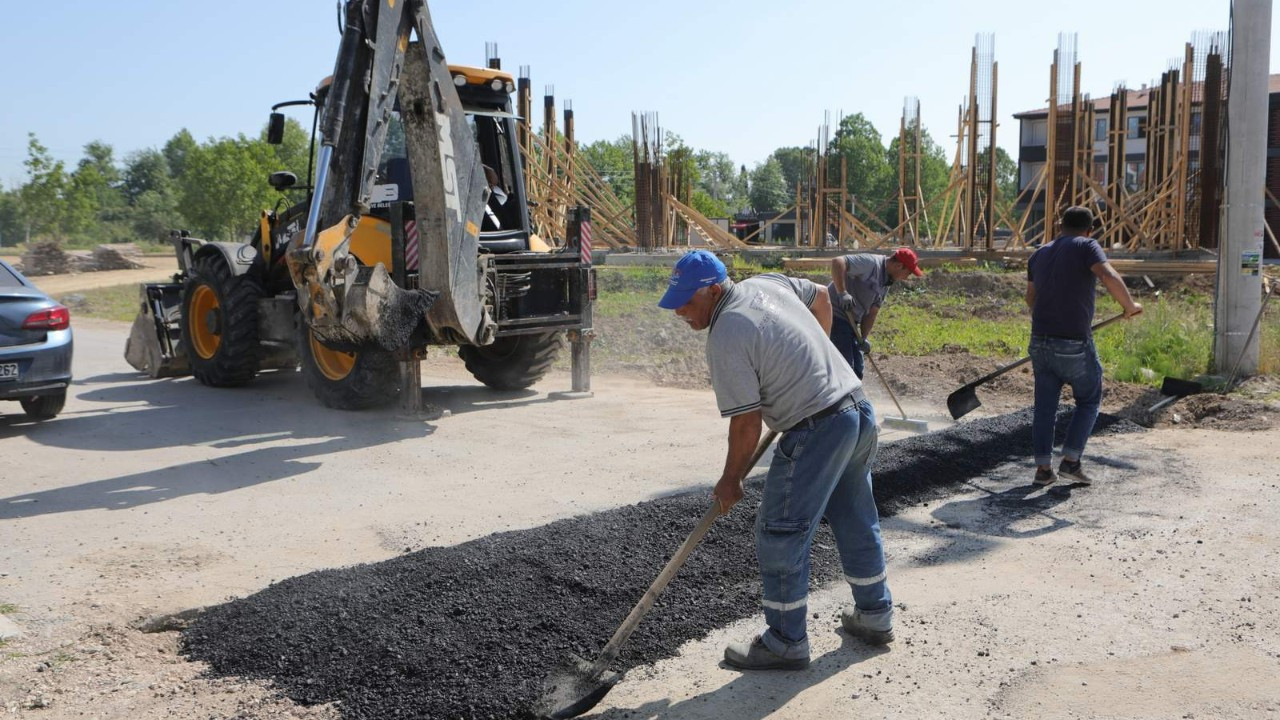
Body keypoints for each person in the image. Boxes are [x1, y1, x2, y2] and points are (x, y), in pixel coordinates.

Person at [658, 249, 894, 671]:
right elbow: (822, 296)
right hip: (856, 409)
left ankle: (785, 641)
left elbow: (746, 422)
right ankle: (875, 615)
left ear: (714, 291)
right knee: (855, 515)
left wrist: (731, 480)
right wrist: (815, 361)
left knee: (781, 532)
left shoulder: (727, 334)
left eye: (687, 302)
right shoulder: (766, 283)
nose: (679, 312)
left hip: (818, 427)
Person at [1026, 206, 1143, 487]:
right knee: (1089, 400)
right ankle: (1070, 462)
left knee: (1044, 408)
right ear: (1090, 230)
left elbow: (1030, 298)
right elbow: (1108, 275)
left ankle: (1043, 469)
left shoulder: (1039, 253)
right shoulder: (1087, 246)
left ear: (1060, 226)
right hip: (1073, 343)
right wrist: (1129, 305)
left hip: (1040, 341)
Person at [829, 248, 924, 379]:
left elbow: (872, 312)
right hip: (834, 314)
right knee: (846, 368)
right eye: (907, 273)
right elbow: (837, 262)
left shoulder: (887, 281)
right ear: (898, 266)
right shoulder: (871, 264)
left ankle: (850, 390)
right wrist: (842, 293)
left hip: (851, 322)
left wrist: (863, 338)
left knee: (857, 370)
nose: (907, 277)